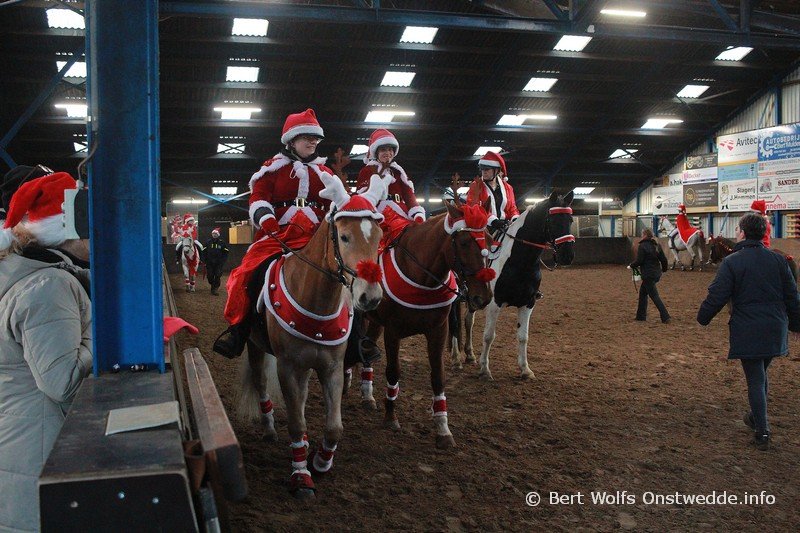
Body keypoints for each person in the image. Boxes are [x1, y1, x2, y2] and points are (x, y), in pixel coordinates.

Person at [0, 172, 92, 531]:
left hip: (23, 437)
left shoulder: (29, 271)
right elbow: (62, 382)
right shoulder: (48, 285)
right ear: (71, 231)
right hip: (38, 450)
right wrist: (104, 330)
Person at [214, 108, 334, 358]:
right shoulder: (271, 168)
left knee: (347, 275)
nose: (313, 142)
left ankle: (357, 340)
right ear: (291, 140)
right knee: (250, 273)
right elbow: (258, 198)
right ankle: (239, 331)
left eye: (316, 138)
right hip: (278, 234)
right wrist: (267, 219)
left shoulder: (327, 174)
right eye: (307, 137)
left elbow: (336, 204)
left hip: (316, 236)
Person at [697, 212, 800, 451]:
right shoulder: (779, 261)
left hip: (748, 328)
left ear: (742, 233)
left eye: (737, 230)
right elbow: (792, 296)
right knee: (760, 375)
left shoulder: (732, 262)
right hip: (775, 328)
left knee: (755, 378)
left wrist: (703, 317)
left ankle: (762, 430)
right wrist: (796, 325)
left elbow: (717, 294)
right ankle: (755, 416)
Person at [357, 129, 425, 223]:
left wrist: (416, 212)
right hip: (377, 213)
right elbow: (364, 195)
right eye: (383, 150)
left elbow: (408, 194)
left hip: (400, 211)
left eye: (390, 150)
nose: (387, 153)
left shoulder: (399, 171)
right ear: (376, 153)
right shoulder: (367, 170)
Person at [466, 151, 519, 232]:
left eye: (487, 169)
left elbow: (512, 208)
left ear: (496, 170)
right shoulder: (475, 185)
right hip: (484, 227)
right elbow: (473, 206)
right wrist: (493, 221)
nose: (484, 172)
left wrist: (515, 218)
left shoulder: (508, 188)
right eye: (482, 169)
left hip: (504, 225)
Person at [629, 227, 670, 323]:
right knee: (643, 293)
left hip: (648, 275)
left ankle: (665, 316)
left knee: (654, 296)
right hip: (656, 273)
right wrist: (664, 270)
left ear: (644, 235)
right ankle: (640, 316)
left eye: (642, 234)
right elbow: (664, 260)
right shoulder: (656, 245)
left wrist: (631, 265)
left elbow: (639, 261)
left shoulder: (642, 246)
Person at [203, 227, 229, 295]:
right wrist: (204, 260)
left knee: (217, 275)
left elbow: (226, 252)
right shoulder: (208, 242)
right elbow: (204, 252)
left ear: (218, 235)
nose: (214, 235)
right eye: (213, 233)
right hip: (209, 263)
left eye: (215, 234)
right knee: (210, 276)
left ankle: (215, 289)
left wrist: (223, 260)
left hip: (218, 263)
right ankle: (213, 285)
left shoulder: (222, 243)